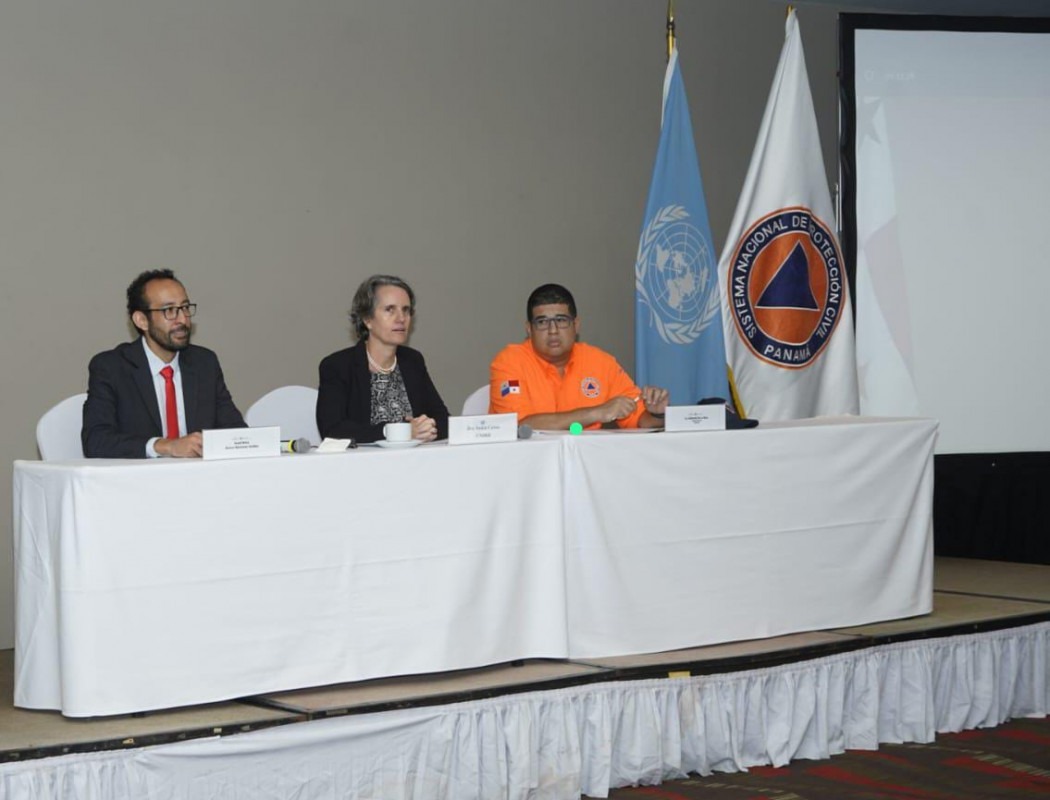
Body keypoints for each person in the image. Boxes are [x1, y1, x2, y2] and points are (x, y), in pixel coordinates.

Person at [82, 269, 246, 458]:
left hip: (198, 474)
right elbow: (96, 441)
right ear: (142, 320)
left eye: (185, 308)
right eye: (169, 310)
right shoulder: (111, 367)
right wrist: (165, 446)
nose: (183, 319)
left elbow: (235, 431)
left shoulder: (204, 363)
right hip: (141, 475)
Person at [489, 283, 668, 430]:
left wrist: (656, 414)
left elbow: (639, 421)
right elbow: (520, 427)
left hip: (586, 459)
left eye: (561, 320)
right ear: (529, 329)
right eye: (542, 322)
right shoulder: (509, 362)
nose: (553, 331)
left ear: (576, 325)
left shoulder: (601, 363)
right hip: (526, 460)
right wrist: (596, 413)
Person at [316, 275, 449, 444]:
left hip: (414, 458)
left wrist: (427, 428)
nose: (401, 318)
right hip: (363, 459)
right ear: (367, 319)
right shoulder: (338, 366)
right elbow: (332, 430)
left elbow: (444, 419)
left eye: (406, 310)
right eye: (390, 310)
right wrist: (400, 431)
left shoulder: (412, 361)